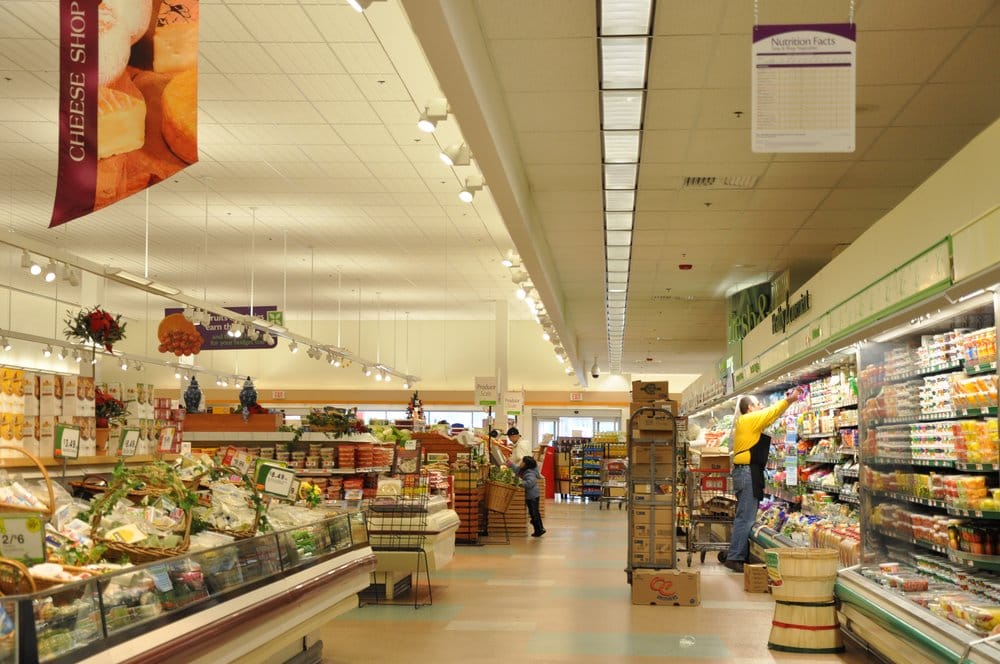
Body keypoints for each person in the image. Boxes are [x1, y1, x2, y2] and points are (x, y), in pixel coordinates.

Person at [724, 386, 804, 573]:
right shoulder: (748, 419)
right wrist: (790, 400)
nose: (761, 406)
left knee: (743, 515)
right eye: (758, 404)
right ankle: (734, 557)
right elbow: (771, 413)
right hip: (747, 473)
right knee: (746, 517)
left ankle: (735, 553)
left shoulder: (747, 423)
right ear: (750, 408)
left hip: (745, 472)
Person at [517, 456, 545, 537]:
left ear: (526, 464)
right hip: (533, 495)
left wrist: (520, 483)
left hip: (532, 496)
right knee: (535, 512)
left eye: (522, 462)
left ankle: (539, 530)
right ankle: (540, 528)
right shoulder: (527, 470)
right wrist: (510, 464)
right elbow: (517, 469)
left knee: (534, 513)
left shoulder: (530, 473)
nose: (520, 463)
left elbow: (529, 484)